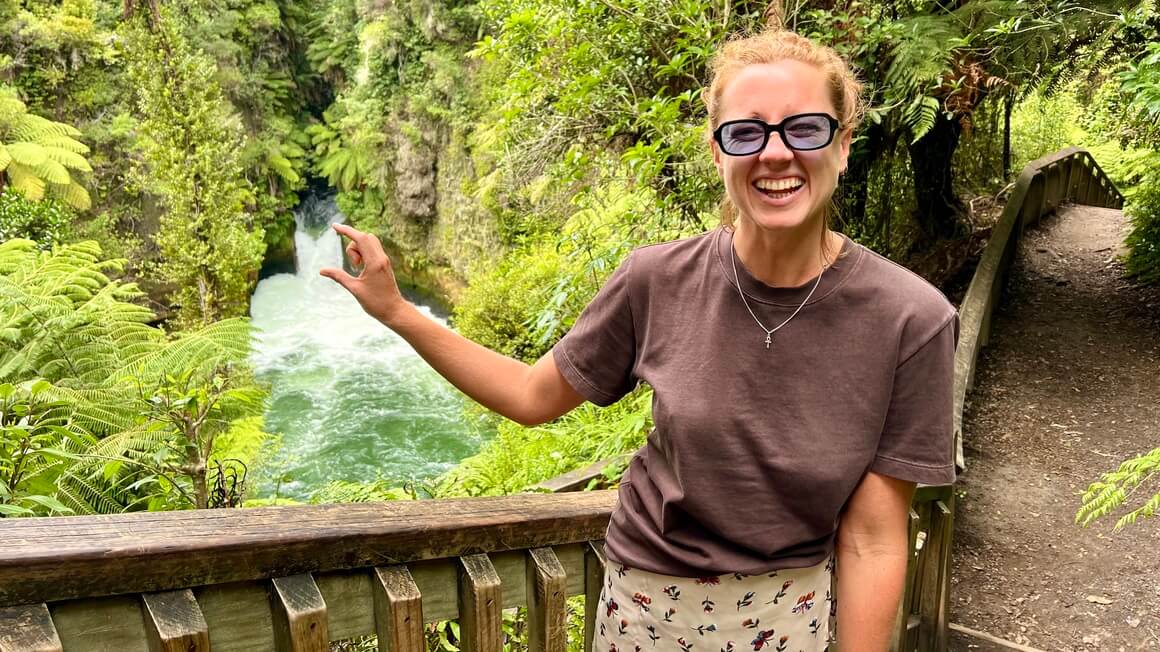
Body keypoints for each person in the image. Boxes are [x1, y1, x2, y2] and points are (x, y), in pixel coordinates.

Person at [321, 28, 956, 652]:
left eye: (805, 128)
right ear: (717, 153)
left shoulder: (910, 320)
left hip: (792, 617)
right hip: (645, 611)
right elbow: (529, 395)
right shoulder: (656, 281)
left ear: (843, 145)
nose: (775, 153)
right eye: (746, 132)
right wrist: (399, 312)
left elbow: (874, 538)